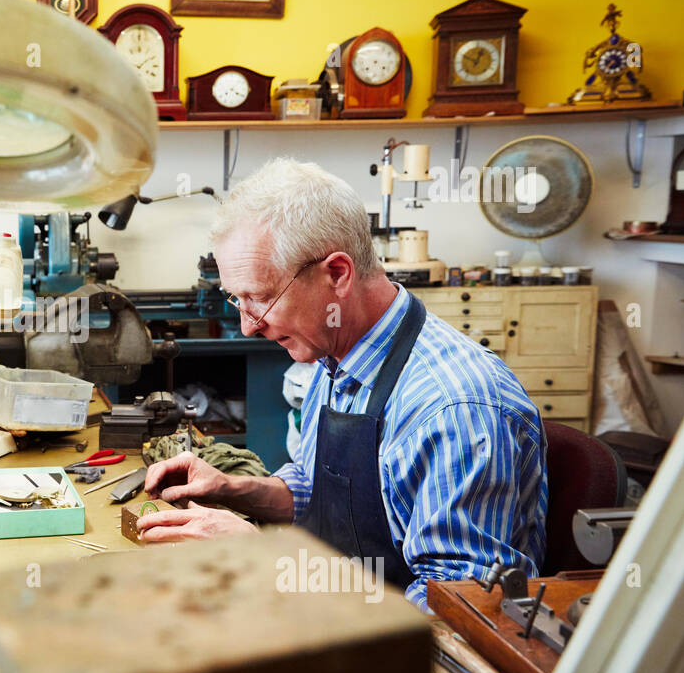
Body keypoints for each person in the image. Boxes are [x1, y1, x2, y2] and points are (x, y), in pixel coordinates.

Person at [139, 158, 547, 611]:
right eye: (237, 298)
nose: (248, 326)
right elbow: (319, 495)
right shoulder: (336, 357)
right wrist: (232, 489)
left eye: (259, 297)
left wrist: (265, 560)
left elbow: (458, 611)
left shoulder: (453, 406)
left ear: (337, 274)